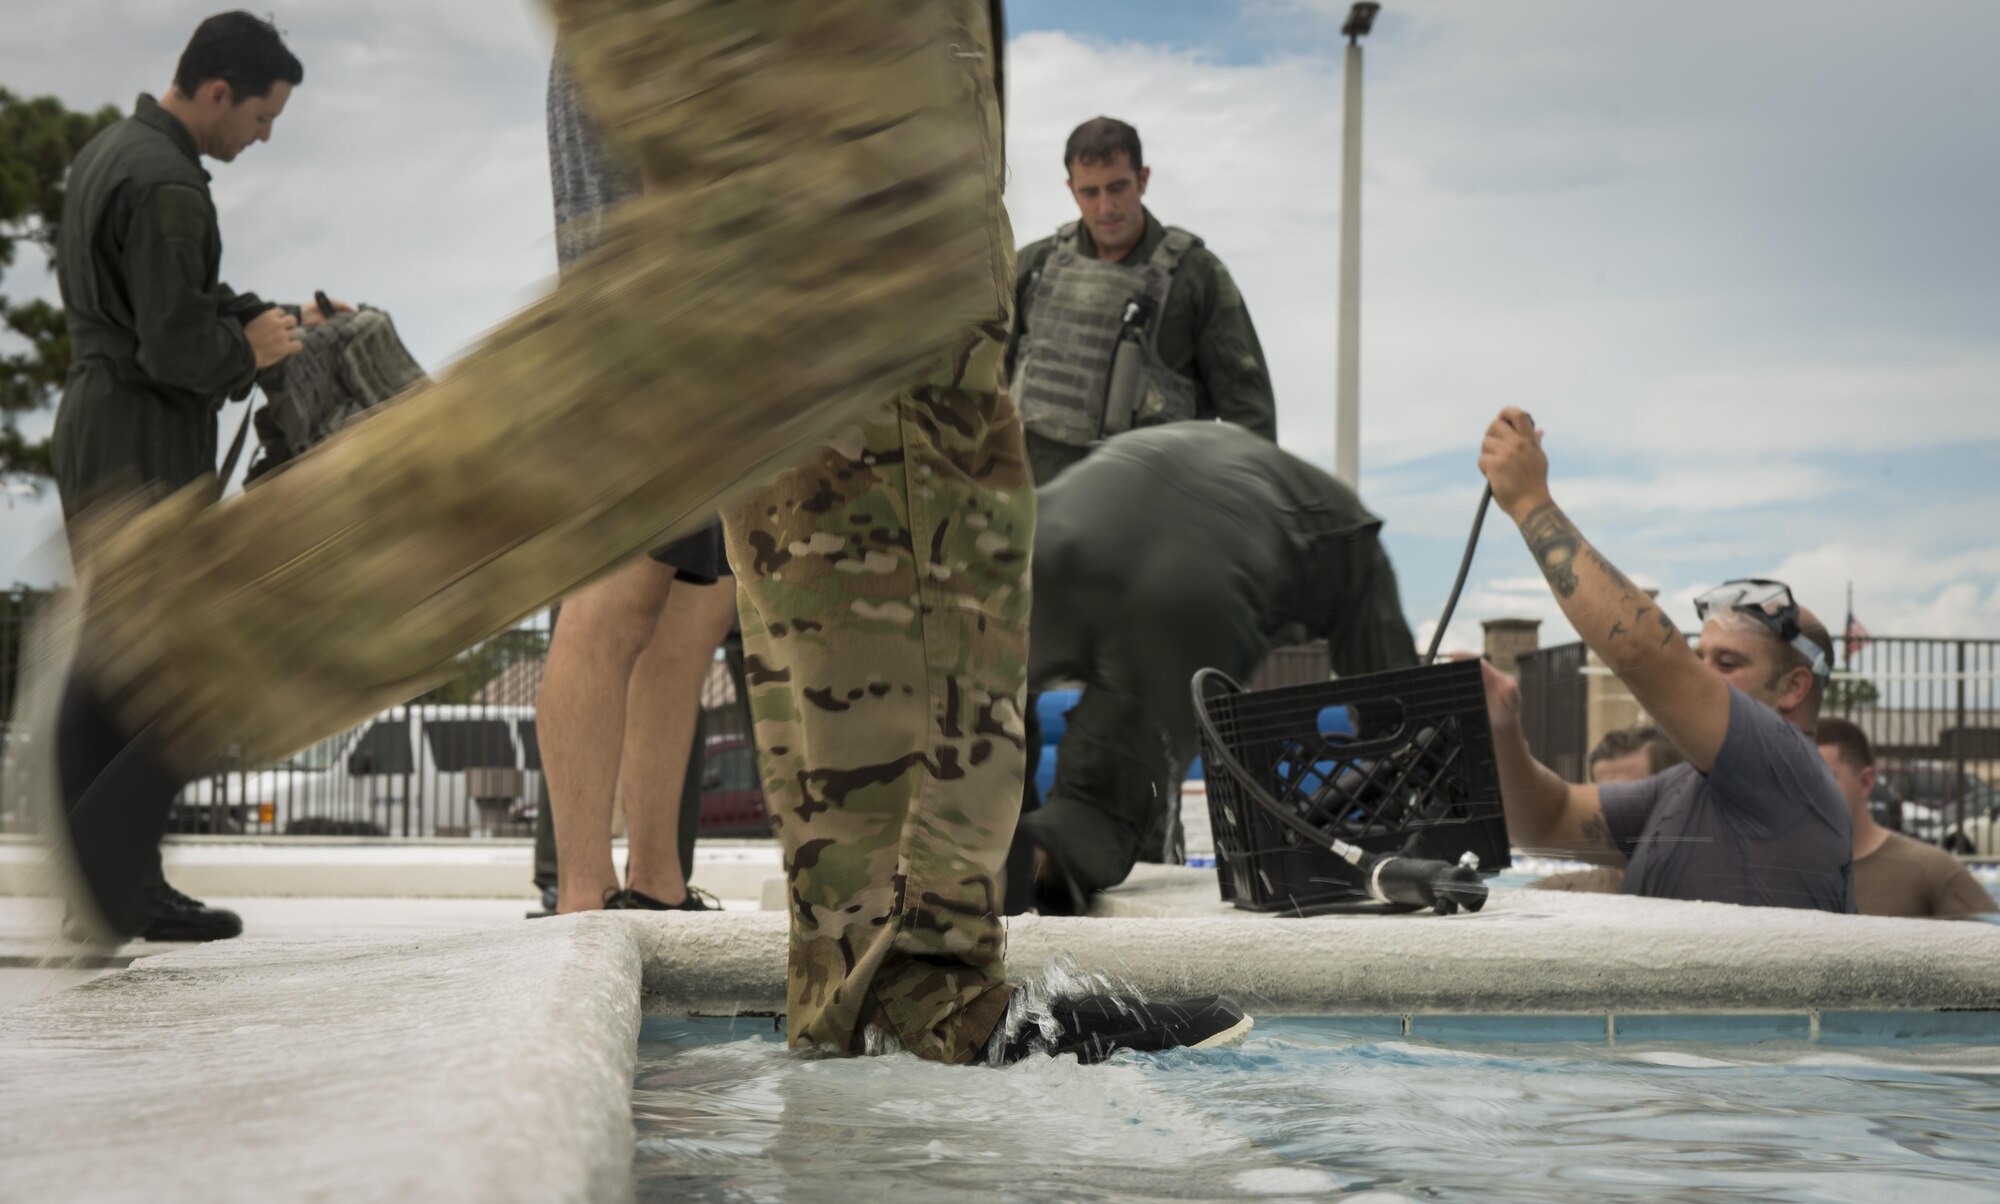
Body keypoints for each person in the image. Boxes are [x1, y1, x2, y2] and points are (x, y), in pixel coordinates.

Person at [41, 0, 1248, 1065]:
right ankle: (193, 640)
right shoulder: (152, 174)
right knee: (848, 271)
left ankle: (909, 979)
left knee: (917, 374)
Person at [48, 11, 345, 943]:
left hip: (104, 418)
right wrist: (247, 351)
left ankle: (119, 882)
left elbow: (175, 304)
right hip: (144, 430)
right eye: (262, 118)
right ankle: (113, 880)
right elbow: (178, 343)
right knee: (157, 669)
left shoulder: (114, 153)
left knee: (117, 663)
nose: (260, 138)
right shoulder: (173, 184)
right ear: (220, 92)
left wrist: (276, 317)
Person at [1014, 422, 1419, 914]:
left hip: (1105, 544)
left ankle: (976, 871)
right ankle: (983, 870)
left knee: (1005, 734)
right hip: (1185, 549)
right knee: (1409, 739)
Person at [1476, 408, 1852, 912]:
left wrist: (1529, 501)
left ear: (1794, 688)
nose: (1701, 675)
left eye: (1728, 662)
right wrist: (1501, 725)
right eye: (1700, 658)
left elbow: (1644, 652)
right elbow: (1545, 820)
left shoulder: (1788, 769)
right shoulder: (1683, 788)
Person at [536, 54, 739, 914]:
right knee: (608, 611)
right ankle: (583, 890)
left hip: (701, 343)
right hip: (641, 341)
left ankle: (657, 880)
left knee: (690, 616)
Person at [1005, 116, 1276, 484]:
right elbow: (986, 386)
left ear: (1143, 179)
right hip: (1042, 512)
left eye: (1118, 188)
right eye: (1090, 192)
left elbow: (1248, 412)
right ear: (1071, 189)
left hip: (1156, 512)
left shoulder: (1196, 276)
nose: (1106, 207)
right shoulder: (1033, 268)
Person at [1815, 718, 1992, 918]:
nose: (1807, 792)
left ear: (1865, 782)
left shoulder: (1931, 871)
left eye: (1821, 779)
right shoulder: (1786, 870)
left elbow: (1989, 940)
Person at [1527, 726, 1680, 893]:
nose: (1612, 810)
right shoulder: (1558, 892)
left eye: (1629, 797)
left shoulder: (1698, 888)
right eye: (1604, 796)